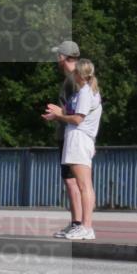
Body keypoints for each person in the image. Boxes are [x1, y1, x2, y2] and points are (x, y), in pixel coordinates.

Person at [43, 59, 103, 240]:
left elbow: (78, 119)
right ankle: (84, 226)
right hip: (77, 140)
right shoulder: (85, 91)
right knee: (84, 185)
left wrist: (59, 115)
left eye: (75, 72)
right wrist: (59, 112)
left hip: (80, 139)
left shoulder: (85, 92)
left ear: (79, 74)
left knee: (84, 185)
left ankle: (87, 226)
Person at [45, 41, 83, 238]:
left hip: (72, 136)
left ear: (64, 57)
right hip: (70, 135)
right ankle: (76, 222)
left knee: (72, 181)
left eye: (58, 55)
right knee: (71, 181)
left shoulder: (74, 80)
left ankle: (79, 223)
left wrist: (60, 113)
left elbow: (80, 110)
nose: (56, 59)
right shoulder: (75, 78)